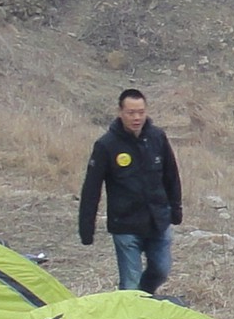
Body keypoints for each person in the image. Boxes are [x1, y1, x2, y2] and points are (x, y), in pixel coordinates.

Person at [78, 88, 183, 295]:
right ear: (120, 112)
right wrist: (86, 228)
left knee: (161, 271)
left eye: (141, 112)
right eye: (131, 112)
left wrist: (175, 210)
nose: (136, 118)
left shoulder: (157, 137)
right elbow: (91, 190)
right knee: (129, 284)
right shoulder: (106, 145)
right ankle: (132, 317)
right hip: (125, 226)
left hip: (158, 222)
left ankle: (143, 299)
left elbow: (172, 176)